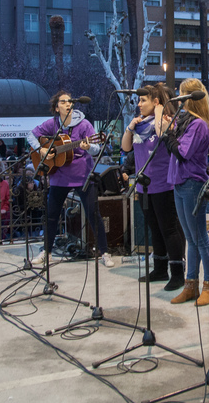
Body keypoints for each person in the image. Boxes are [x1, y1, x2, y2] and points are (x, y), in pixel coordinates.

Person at [31, 91, 114, 268]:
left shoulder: (84, 125)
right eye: (63, 102)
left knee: (93, 214)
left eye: (70, 101)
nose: (68, 104)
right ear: (56, 107)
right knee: (51, 215)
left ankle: (104, 252)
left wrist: (88, 146)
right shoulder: (52, 124)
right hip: (59, 175)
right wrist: (41, 150)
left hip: (82, 175)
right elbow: (31, 135)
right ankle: (47, 251)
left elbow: (97, 149)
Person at [121, 84, 186, 292]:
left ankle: (178, 273)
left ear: (156, 102)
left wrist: (160, 113)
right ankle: (159, 269)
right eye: (139, 101)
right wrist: (130, 127)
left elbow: (163, 134)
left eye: (144, 100)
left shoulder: (167, 121)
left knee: (169, 230)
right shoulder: (140, 124)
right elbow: (125, 147)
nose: (139, 104)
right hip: (143, 186)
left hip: (164, 184)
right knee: (154, 229)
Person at [159, 78, 209, 307]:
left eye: (181, 94)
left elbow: (183, 152)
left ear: (190, 97)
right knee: (191, 239)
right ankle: (190, 284)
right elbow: (172, 148)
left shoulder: (198, 124)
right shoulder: (184, 121)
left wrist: (168, 134)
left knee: (200, 238)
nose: (178, 98)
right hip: (179, 183)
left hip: (193, 183)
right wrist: (167, 132)